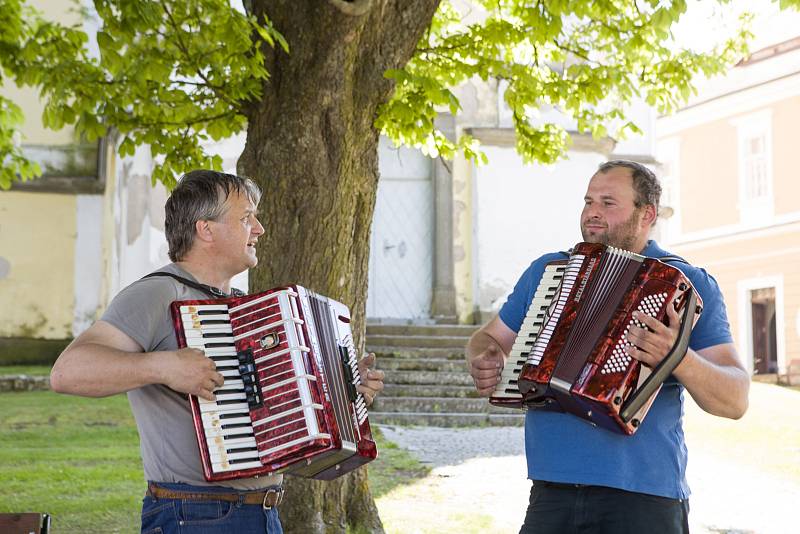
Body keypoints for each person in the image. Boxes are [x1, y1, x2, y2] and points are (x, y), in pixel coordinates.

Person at [50, 170, 385, 533]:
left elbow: (280, 415)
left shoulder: (245, 312)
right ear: (205, 229)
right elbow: (68, 372)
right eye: (246, 218)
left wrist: (346, 388)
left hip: (265, 513)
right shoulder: (158, 294)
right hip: (194, 514)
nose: (258, 229)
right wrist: (162, 366)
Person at [466, 160, 749, 534]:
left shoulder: (689, 285)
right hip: (552, 491)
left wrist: (678, 358)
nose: (592, 213)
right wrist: (486, 357)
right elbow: (488, 339)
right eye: (588, 201)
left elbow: (735, 400)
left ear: (646, 214)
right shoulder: (548, 271)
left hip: (644, 497)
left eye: (608, 203)